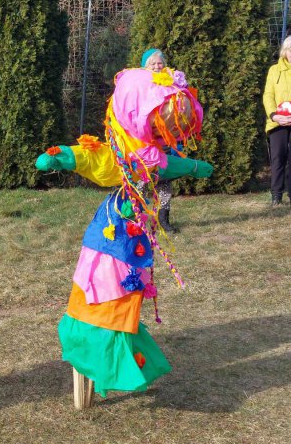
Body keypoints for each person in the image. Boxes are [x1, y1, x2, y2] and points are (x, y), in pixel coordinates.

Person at [36, 66, 213, 400]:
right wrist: (62, 158)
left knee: (124, 296)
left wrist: (190, 166)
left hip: (134, 240)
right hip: (112, 235)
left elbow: (162, 165)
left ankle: (119, 353)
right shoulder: (120, 155)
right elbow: (95, 160)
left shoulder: (151, 156)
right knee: (104, 292)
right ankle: (97, 355)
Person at [141, 48, 177, 231]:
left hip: (163, 139)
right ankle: (137, 220)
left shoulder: (171, 81)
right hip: (144, 142)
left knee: (164, 179)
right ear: (145, 66)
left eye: (159, 62)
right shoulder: (139, 84)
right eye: (153, 63)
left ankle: (164, 220)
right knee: (141, 180)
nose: (157, 66)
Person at [263, 35, 291, 206]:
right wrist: (274, 115)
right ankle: (276, 195)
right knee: (278, 158)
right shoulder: (274, 70)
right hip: (277, 122)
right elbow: (268, 95)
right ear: (285, 52)